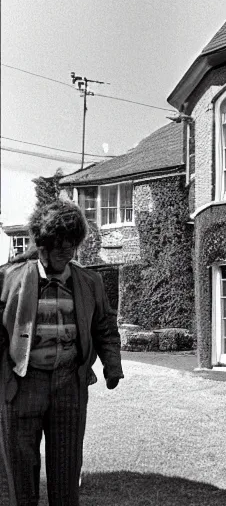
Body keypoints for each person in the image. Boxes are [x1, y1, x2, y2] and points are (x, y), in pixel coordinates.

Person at [0, 200, 124, 505]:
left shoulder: (89, 281)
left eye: (72, 244)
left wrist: (112, 366)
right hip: (22, 384)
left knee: (67, 469)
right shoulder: (9, 278)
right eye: (59, 244)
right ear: (42, 244)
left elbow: (105, 326)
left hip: (69, 384)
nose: (67, 251)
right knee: (20, 469)